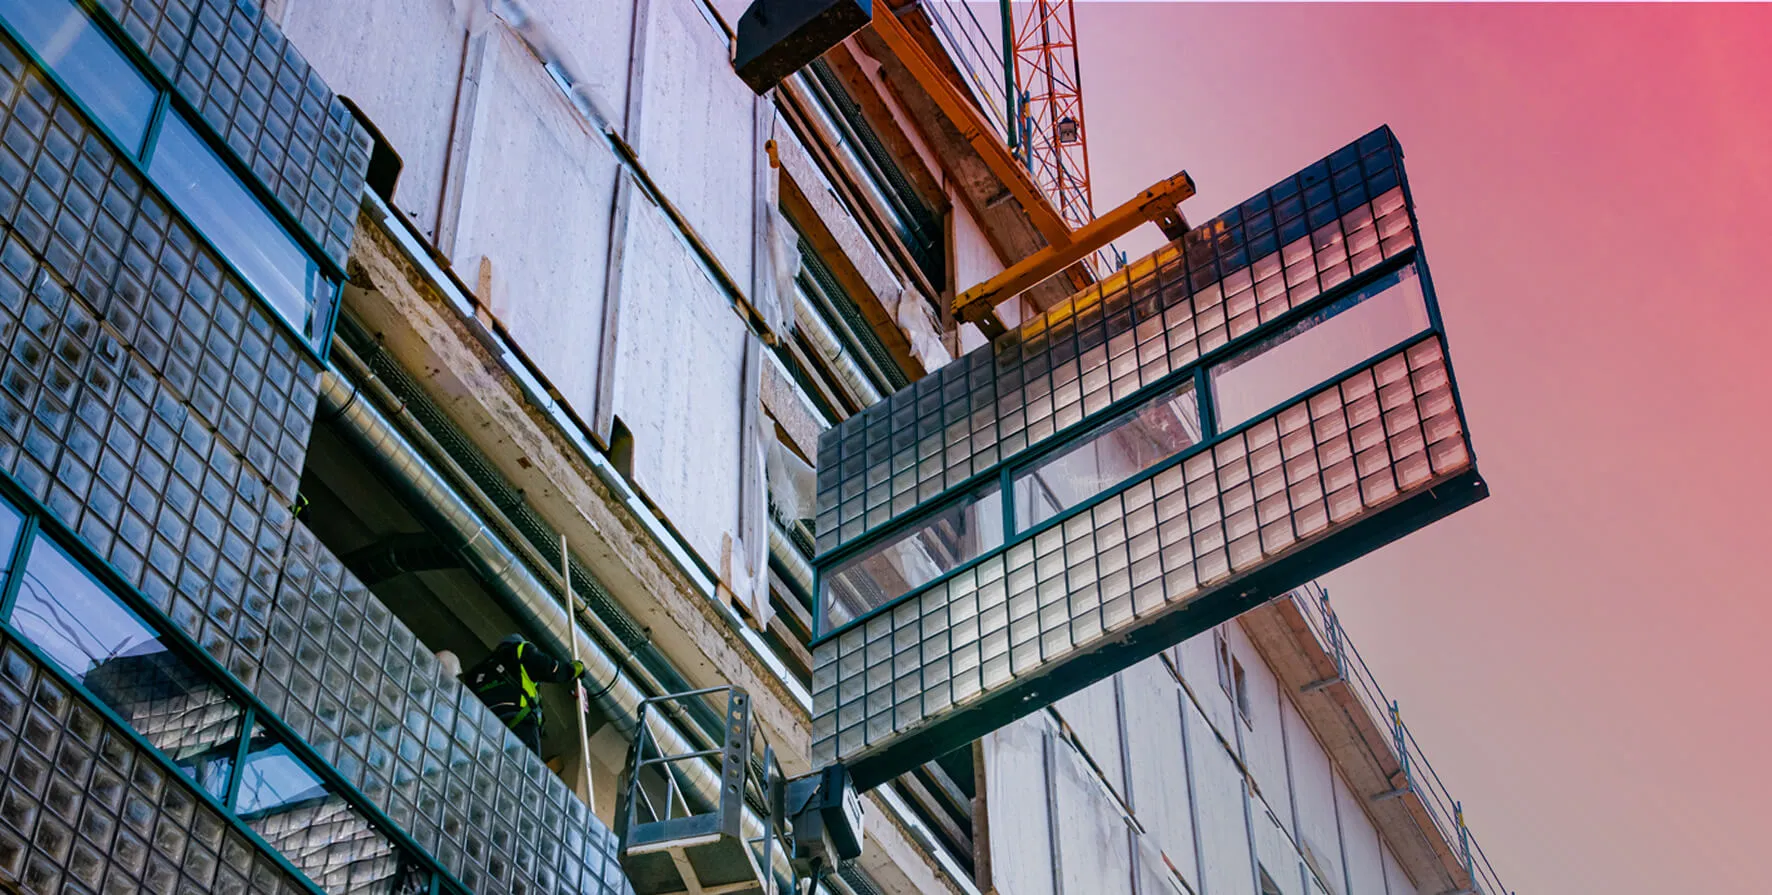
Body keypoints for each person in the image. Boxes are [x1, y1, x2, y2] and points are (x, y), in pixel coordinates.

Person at [462, 634, 585, 753]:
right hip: (518, 722)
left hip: (484, 729)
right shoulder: (520, 650)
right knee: (526, 771)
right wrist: (577, 668)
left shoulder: (481, 670)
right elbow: (554, 670)